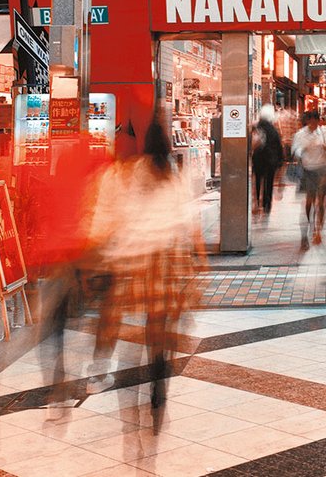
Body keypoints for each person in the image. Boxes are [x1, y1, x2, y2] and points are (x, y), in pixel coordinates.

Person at [86, 116, 204, 429]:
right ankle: (157, 376)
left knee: (113, 314)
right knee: (157, 322)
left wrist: (97, 250)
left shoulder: (124, 173)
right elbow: (188, 221)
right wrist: (198, 259)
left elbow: (105, 219)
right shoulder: (172, 174)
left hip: (131, 258)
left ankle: (101, 370)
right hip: (165, 259)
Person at [292, 110, 326, 249]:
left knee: (322, 202)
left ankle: (318, 231)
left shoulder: (323, 132)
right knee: (309, 202)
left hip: (322, 169)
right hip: (308, 169)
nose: (313, 125)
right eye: (310, 122)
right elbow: (295, 150)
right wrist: (302, 150)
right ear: (307, 121)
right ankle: (306, 233)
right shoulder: (300, 134)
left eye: (315, 122)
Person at [251, 105, 284, 217]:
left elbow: (252, 143)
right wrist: (280, 161)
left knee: (258, 181)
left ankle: (257, 202)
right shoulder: (273, 130)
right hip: (271, 160)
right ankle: (266, 204)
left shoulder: (256, 127)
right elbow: (279, 146)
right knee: (269, 182)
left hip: (258, 158)